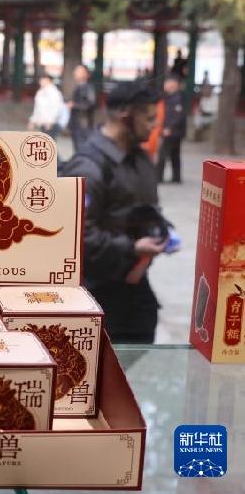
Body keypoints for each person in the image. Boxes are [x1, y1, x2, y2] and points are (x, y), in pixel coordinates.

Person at [61, 80, 168, 343]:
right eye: (149, 118)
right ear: (125, 115)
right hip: (98, 294)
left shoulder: (140, 158)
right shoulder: (88, 166)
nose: (155, 125)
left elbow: (146, 209)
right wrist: (131, 248)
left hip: (134, 289)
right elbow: (77, 239)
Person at [155, 74, 186, 183]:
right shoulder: (168, 97)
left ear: (174, 84)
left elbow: (178, 116)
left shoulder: (177, 98)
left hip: (173, 131)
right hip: (173, 131)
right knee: (174, 154)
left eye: (167, 83)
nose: (165, 85)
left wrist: (169, 128)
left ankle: (158, 177)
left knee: (163, 155)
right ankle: (176, 177)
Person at [67, 65, 97, 152]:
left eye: (78, 71)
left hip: (83, 125)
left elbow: (91, 104)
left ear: (85, 74)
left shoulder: (88, 87)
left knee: (82, 150)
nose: (75, 73)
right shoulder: (79, 86)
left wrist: (74, 105)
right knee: (77, 149)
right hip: (76, 124)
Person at [27, 74, 64, 140]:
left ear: (48, 81)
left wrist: (50, 121)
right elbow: (37, 108)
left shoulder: (54, 92)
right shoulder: (40, 92)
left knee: (49, 143)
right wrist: (32, 120)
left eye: (43, 80)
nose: (41, 82)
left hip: (51, 123)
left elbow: (56, 108)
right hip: (43, 122)